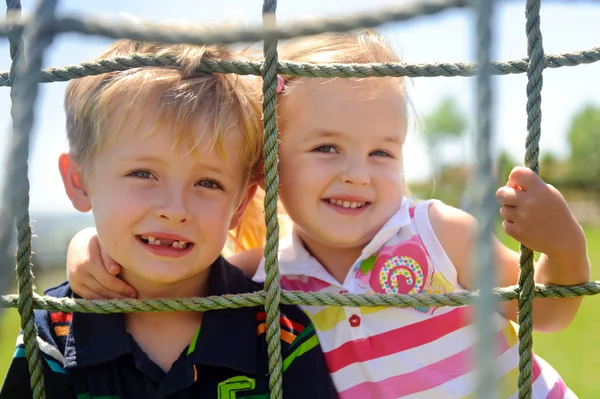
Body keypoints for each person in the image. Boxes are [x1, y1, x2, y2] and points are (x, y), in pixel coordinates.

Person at [62, 30, 589, 398]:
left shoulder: (437, 234)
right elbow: (179, 268)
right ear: (267, 171)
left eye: (382, 152)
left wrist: (566, 249)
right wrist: (90, 248)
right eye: (327, 149)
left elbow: (548, 313)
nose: (358, 173)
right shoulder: (267, 277)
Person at [0, 38, 335, 399]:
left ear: (239, 205)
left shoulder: (280, 334)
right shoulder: (51, 333)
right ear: (79, 182)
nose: (174, 210)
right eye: (143, 174)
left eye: (208, 183)